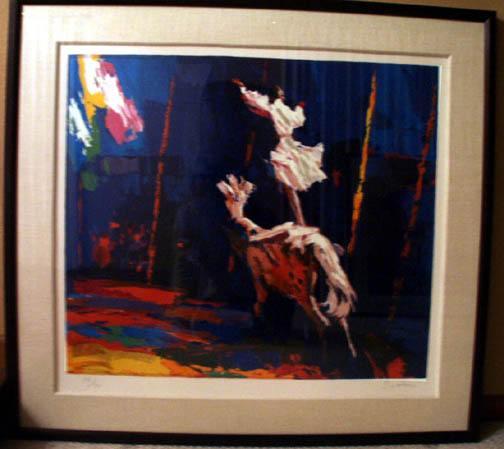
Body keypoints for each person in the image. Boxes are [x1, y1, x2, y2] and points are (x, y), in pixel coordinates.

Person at [233, 79, 326, 226]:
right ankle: (298, 218)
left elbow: (254, 102)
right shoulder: (283, 110)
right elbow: (297, 120)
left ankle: (297, 218)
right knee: (288, 184)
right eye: (281, 95)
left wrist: (242, 89)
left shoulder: (273, 108)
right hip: (286, 145)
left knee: (285, 182)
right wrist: (300, 107)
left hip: (282, 147)